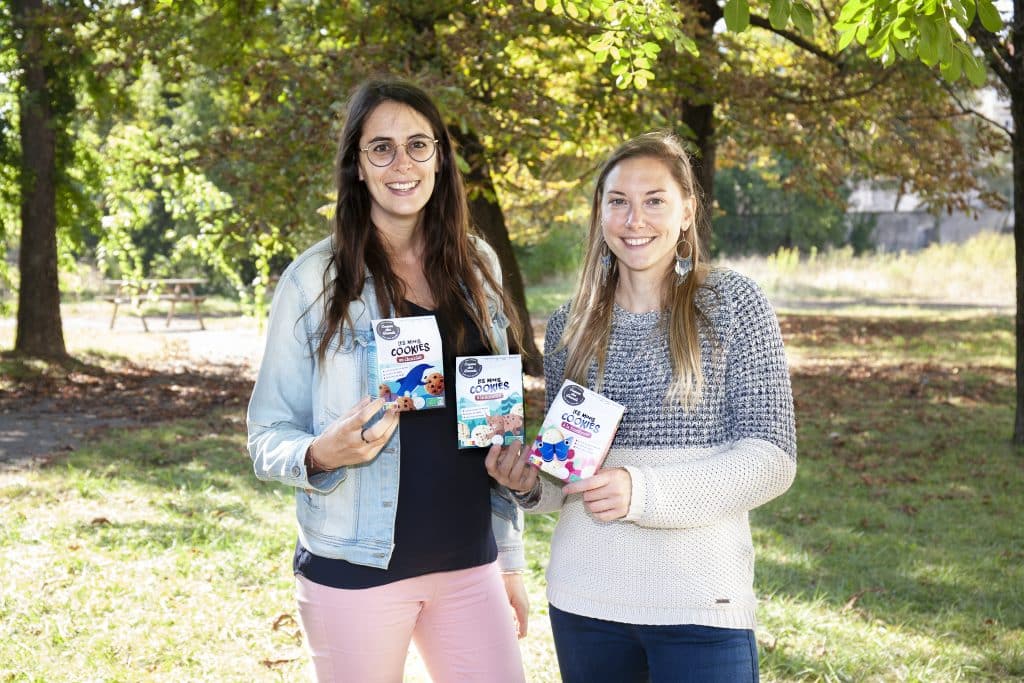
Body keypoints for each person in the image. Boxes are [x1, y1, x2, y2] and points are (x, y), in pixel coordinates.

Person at [487, 132, 797, 682]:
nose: (635, 219)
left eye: (654, 200)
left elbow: (771, 458)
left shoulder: (732, 305)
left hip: (701, 605)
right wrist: (526, 485)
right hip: (585, 604)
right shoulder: (569, 327)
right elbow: (565, 479)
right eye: (618, 202)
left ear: (687, 212)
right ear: (600, 214)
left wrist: (643, 492)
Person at [247, 78, 528, 683]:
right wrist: (323, 452)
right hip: (358, 568)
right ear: (357, 166)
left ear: (441, 158)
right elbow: (266, 433)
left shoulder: (478, 264)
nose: (402, 163)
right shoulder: (313, 281)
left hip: (469, 562)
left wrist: (510, 561)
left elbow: (495, 424)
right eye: (381, 148)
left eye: (418, 145)